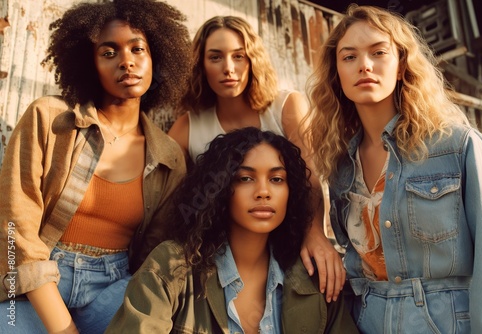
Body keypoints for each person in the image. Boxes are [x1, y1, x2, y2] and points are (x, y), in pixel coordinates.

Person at [304, 4, 482, 333]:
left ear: (400, 65)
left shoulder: (457, 145)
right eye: (349, 57)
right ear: (337, 73)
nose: (364, 65)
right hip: (367, 321)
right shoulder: (340, 165)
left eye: (378, 52)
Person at [0, 0, 190, 333]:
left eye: (138, 49)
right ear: (90, 64)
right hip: (38, 283)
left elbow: (156, 253)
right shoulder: (50, 119)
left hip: (113, 287)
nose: (126, 62)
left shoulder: (168, 157)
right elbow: (16, 225)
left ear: (156, 58)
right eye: (109, 52)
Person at [106, 127, 358, 333]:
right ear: (220, 189)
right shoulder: (172, 267)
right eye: (245, 178)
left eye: (277, 179)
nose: (263, 191)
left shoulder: (316, 278)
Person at [167, 15, 345, 303]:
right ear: (200, 64)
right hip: (220, 251)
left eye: (239, 56)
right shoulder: (188, 127)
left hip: (286, 239)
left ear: (252, 60)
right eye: (215, 57)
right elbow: (172, 201)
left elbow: (311, 179)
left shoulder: (286, 107)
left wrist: (315, 234)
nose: (229, 68)